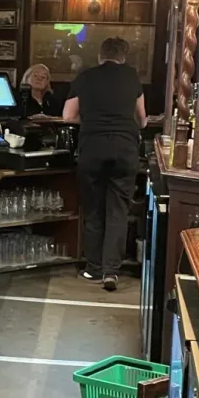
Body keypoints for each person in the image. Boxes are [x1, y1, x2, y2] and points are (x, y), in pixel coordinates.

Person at [63, 37, 147, 292]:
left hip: (93, 149)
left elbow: (68, 115)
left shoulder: (85, 77)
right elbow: (142, 120)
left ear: (101, 55)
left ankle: (94, 268)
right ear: (123, 56)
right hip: (125, 150)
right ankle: (112, 271)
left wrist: (91, 120)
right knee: (118, 211)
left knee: (94, 209)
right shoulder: (132, 77)